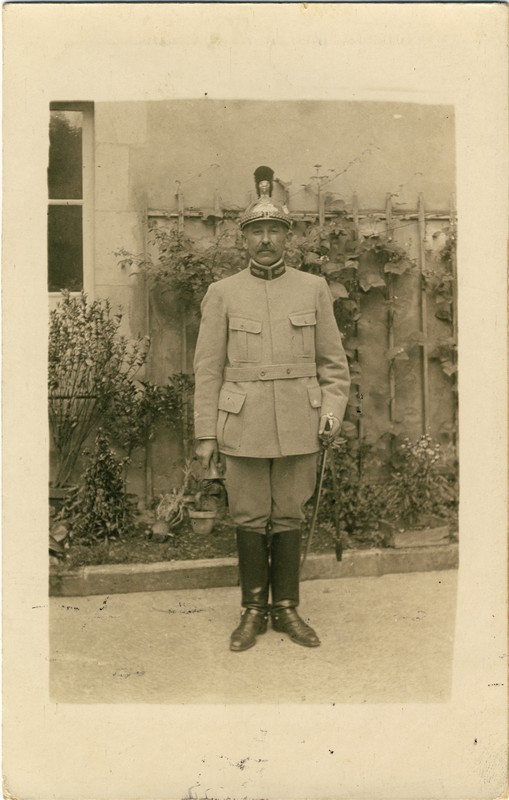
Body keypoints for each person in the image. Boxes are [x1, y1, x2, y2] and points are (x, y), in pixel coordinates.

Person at [193, 166, 351, 652]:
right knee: (247, 516)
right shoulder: (222, 293)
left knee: (288, 516)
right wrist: (205, 435)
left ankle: (286, 609)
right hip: (242, 423)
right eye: (256, 231)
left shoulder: (313, 288)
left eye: (274, 231)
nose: (265, 240)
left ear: (287, 237)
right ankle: (252, 611)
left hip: (302, 423)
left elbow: (334, 368)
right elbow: (207, 369)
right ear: (244, 240)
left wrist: (329, 419)